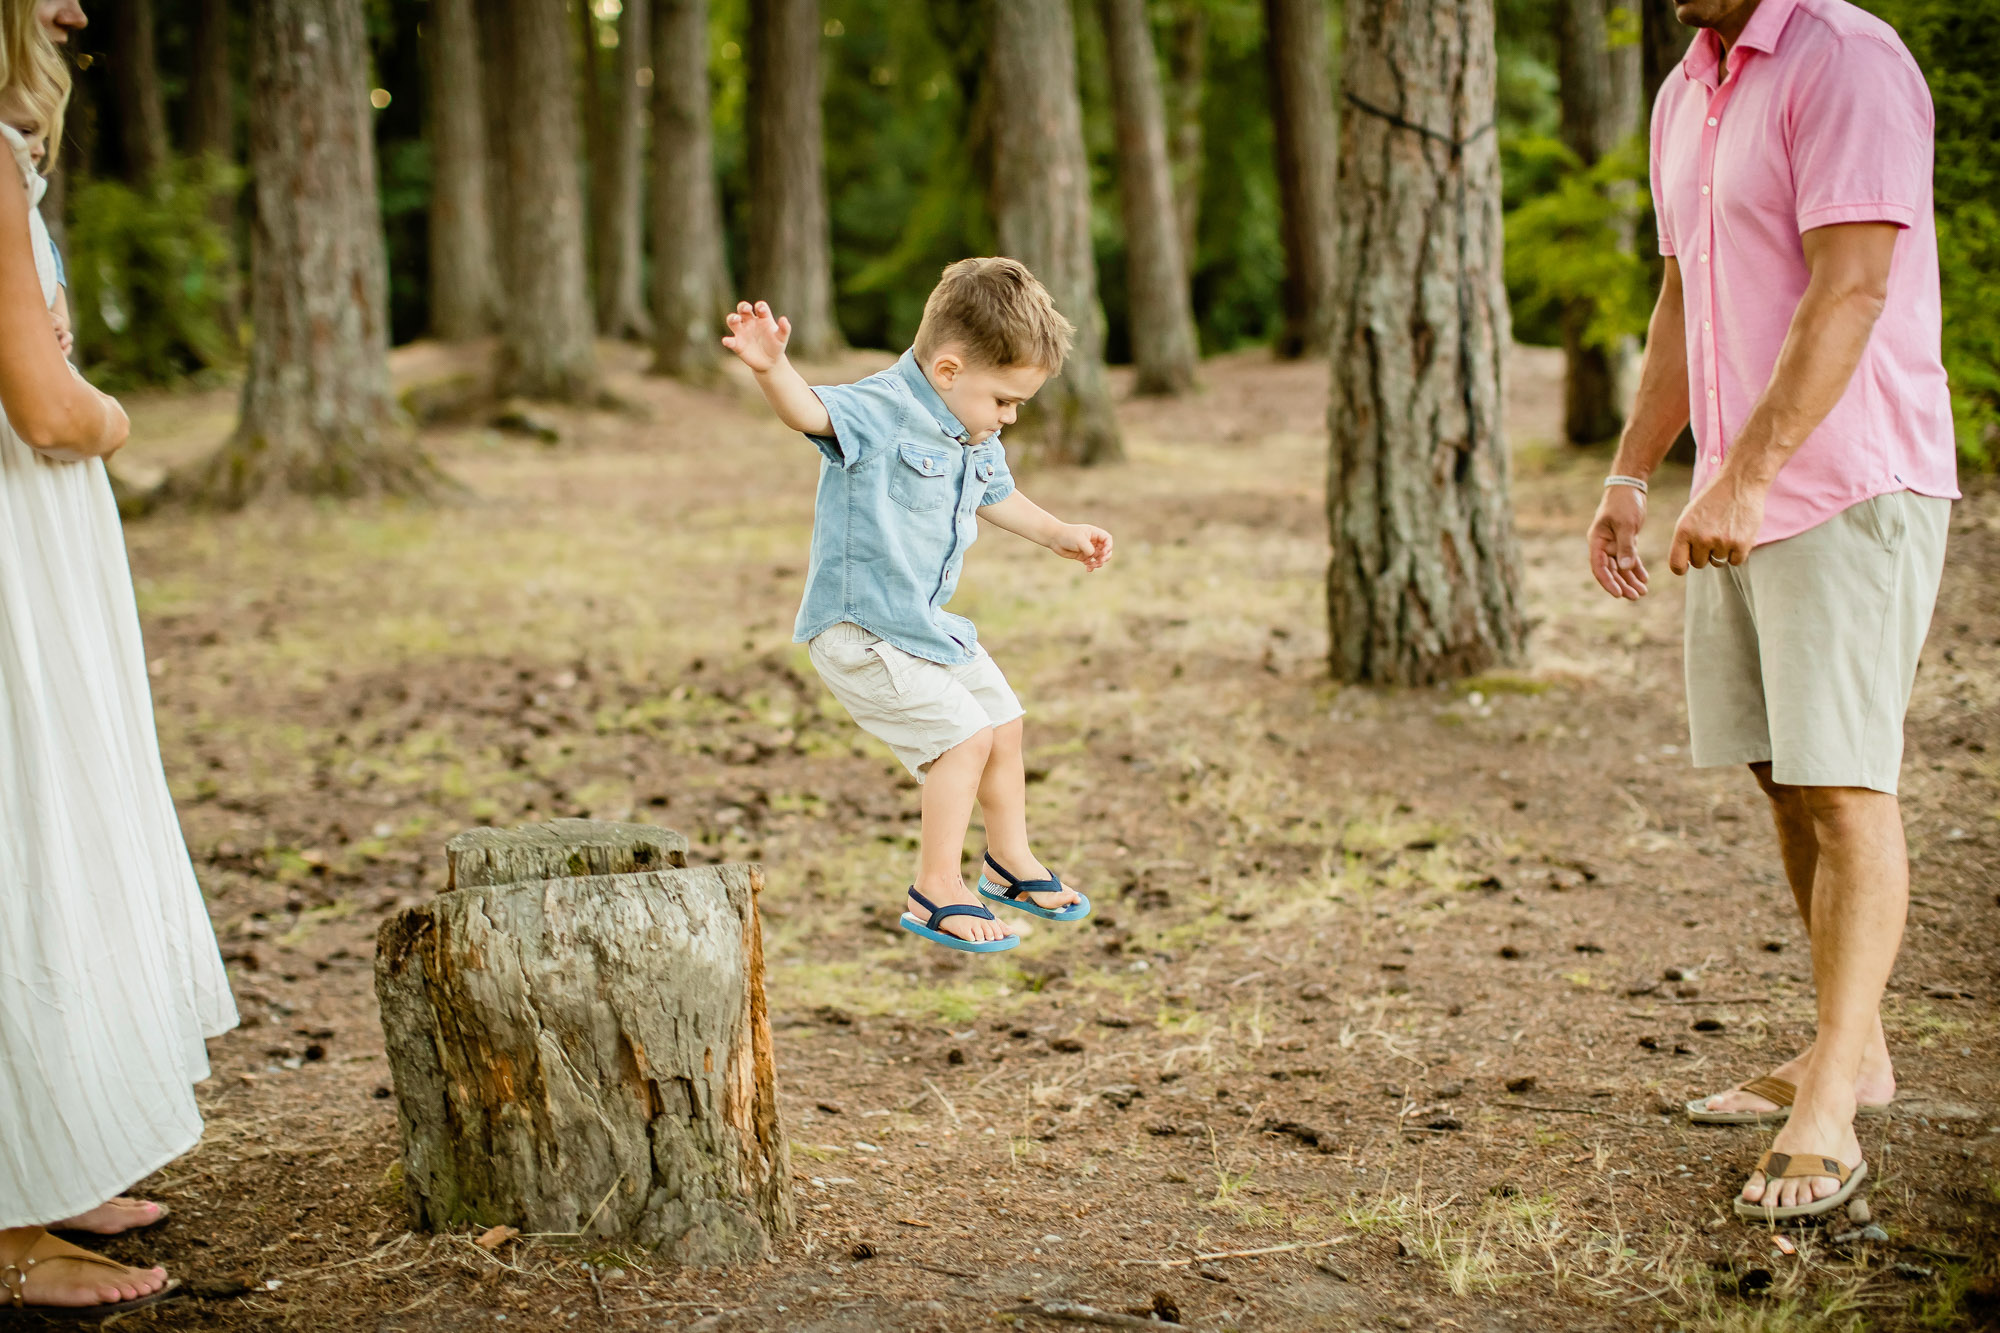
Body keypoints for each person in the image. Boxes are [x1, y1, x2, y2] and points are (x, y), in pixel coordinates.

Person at [1586, 0, 1956, 1221]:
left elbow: (1850, 290)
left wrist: (1747, 475)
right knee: (1780, 770)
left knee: (1844, 783)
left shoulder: (1843, 58)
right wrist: (1631, 475)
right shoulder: (1687, 85)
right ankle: (1853, 1048)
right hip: (1734, 494)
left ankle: (1830, 1111)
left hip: (1846, 481)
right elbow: (1681, 301)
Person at [0, 0, 237, 1315]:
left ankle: (43, 1142)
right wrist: (113, 410)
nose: (78, 7)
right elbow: (42, 404)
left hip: (27, 533)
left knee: (44, 814)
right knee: (22, 819)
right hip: (14, 529)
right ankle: (7, 1221)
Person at [722, 258, 1112, 952]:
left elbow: (997, 493)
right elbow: (810, 410)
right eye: (1003, 400)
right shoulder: (879, 410)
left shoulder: (971, 430)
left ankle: (1009, 861)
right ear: (950, 370)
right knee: (963, 737)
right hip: (862, 631)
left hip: (925, 629)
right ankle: (936, 887)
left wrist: (1059, 533)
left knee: (1004, 721)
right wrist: (768, 367)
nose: (1010, 417)